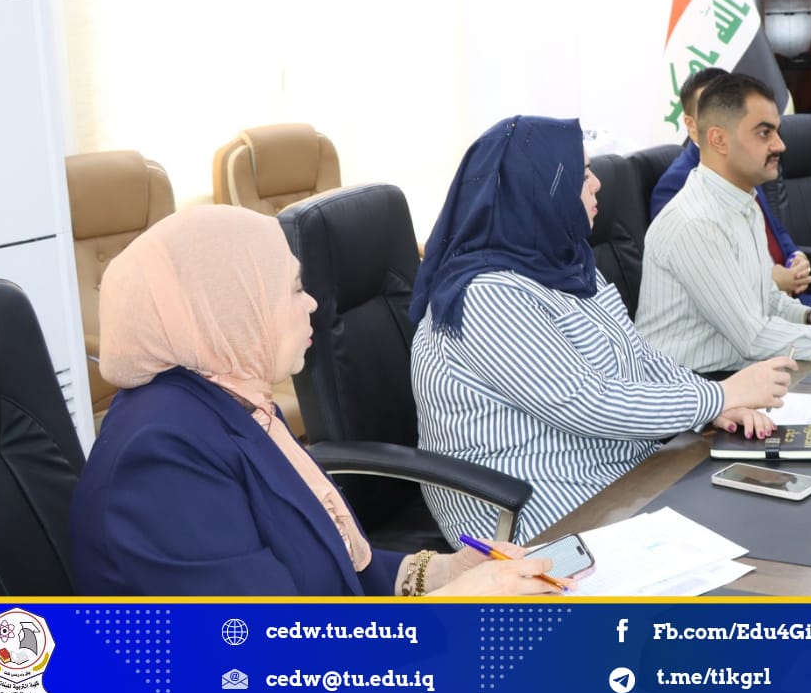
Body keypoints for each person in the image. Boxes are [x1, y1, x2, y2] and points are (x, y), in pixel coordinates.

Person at [71, 205, 567, 597]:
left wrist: (445, 573)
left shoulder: (234, 400)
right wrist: (459, 603)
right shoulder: (161, 458)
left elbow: (332, 569)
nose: (310, 303)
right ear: (231, 310)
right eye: (292, 289)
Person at [409, 115, 792, 546]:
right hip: (541, 510)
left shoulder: (567, 265)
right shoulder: (486, 295)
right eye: (582, 174)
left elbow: (641, 358)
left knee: (766, 519)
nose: (597, 184)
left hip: (621, 472)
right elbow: (584, 401)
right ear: (538, 191)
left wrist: (711, 405)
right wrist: (720, 395)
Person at [636, 73, 811, 375]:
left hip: (737, 375)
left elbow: (766, 299)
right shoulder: (694, 223)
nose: (780, 145)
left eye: (776, 131)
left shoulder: (743, 201)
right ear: (719, 139)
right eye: (764, 133)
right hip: (692, 388)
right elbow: (753, 338)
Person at [651, 67, 811, 310]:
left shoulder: (743, 167)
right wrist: (770, 281)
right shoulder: (677, 187)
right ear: (691, 124)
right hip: (753, 308)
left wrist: (796, 257)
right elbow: (710, 281)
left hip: (791, 299)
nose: (778, 145)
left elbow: (774, 230)